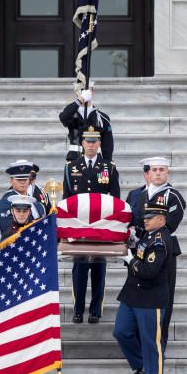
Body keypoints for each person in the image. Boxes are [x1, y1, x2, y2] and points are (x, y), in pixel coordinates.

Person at [113, 199, 172, 374]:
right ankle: (141, 364)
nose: (145, 221)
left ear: (161, 220)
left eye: (150, 218)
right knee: (121, 332)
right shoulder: (149, 235)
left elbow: (148, 271)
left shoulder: (161, 241)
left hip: (150, 298)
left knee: (150, 342)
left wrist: (130, 259)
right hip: (133, 294)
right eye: (145, 217)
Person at [126, 157, 186, 351]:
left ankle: (159, 349)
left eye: (162, 169)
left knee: (162, 302)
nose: (158, 173)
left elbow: (168, 225)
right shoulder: (137, 195)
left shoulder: (172, 195)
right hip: (139, 252)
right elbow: (131, 220)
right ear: (147, 173)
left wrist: (143, 238)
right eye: (154, 170)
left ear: (167, 172)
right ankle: (140, 352)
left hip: (161, 251)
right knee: (137, 299)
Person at [63, 126, 120, 324]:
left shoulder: (108, 167)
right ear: (82, 143)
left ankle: (95, 310)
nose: (91, 145)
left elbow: (116, 199)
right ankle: (78, 310)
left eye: (95, 141)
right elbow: (66, 198)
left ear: (100, 144)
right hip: (78, 226)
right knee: (79, 268)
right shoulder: (71, 166)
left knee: (98, 267)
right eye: (88, 141)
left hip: (100, 225)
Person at [4, 194, 41, 374]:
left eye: (24, 211)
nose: (21, 214)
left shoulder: (37, 231)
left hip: (33, 290)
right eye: (18, 211)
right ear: (12, 212)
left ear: (29, 212)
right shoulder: (7, 232)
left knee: (31, 335)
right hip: (14, 291)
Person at [59, 84, 114, 161]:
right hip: (74, 159)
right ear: (76, 92)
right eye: (81, 90)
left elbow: (107, 145)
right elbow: (63, 118)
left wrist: (107, 164)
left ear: (92, 92)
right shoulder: (71, 113)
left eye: (87, 90)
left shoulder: (102, 117)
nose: (84, 92)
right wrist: (80, 100)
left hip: (96, 161)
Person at [0, 160, 46, 239]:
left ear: (29, 180)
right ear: (11, 181)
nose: (22, 182)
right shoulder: (5, 203)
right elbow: (8, 231)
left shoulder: (37, 204)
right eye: (19, 180)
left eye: (25, 179)